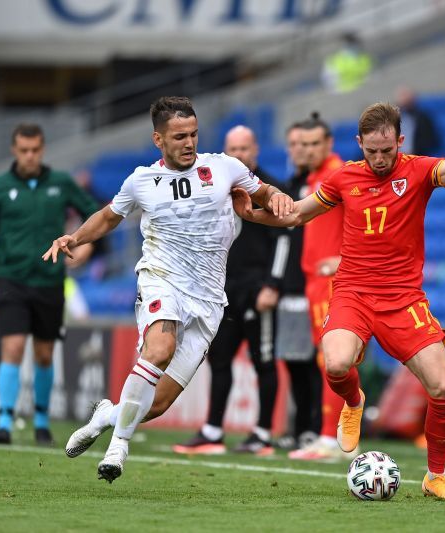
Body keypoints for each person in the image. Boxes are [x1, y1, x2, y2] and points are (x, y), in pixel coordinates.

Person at [233, 100, 445, 499]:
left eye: (386, 150)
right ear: (359, 143)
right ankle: (354, 401)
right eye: (371, 150)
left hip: (403, 299)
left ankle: (436, 477)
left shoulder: (420, 171)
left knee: (442, 387)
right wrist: (253, 216)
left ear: (400, 141)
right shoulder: (344, 178)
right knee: (336, 364)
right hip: (353, 292)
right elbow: (296, 216)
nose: (378, 158)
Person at [52, 96, 293, 483]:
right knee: (159, 349)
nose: (189, 142)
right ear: (158, 139)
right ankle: (119, 447)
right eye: (179, 136)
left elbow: (264, 194)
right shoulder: (141, 181)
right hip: (161, 278)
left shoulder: (224, 167)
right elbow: (108, 217)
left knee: (157, 403)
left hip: (210, 298)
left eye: (194, 133)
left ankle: (107, 416)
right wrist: (75, 238)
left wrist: (277, 196)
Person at [0, 123, 99, 445]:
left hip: (50, 280)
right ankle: (4, 422)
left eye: (35, 150)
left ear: (42, 149)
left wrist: (86, 246)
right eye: (24, 150)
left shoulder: (61, 183)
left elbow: (95, 215)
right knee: (11, 347)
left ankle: (41, 422)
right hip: (10, 278)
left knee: (44, 353)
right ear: (14, 150)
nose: (30, 156)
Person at [172, 125, 287, 455]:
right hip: (222, 290)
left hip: (256, 289)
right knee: (218, 359)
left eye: (244, 148)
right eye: (232, 149)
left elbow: (283, 238)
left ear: (256, 150)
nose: (238, 155)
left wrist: (272, 284)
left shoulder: (268, 189)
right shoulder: (215, 186)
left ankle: (263, 434)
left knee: (262, 361)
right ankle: (212, 431)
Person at [287, 113, 350, 462]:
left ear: (328, 144)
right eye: (303, 144)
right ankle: (334, 436)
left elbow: (362, 220)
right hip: (315, 280)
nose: (308, 150)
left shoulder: (338, 175)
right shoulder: (315, 177)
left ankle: (333, 437)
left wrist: (344, 259)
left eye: (314, 144)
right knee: (325, 358)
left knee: (334, 359)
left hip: (332, 280)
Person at [274, 122, 321, 450]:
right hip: (290, 286)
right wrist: (275, 281)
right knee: (293, 360)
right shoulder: (286, 186)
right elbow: (281, 243)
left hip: (315, 284)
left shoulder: (323, 186)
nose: (300, 150)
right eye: (294, 144)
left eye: (306, 143)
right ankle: (299, 425)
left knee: (316, 362)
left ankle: (315, 427)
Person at [395, 87, 440, 156]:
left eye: (406, 96)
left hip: (417, 155)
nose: (404, 100)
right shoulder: (393, 118)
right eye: (402, 96)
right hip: (397, 156)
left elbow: (431, 138)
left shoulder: (423, 117)